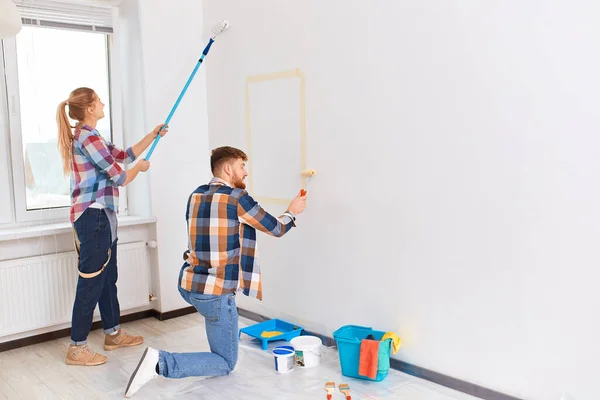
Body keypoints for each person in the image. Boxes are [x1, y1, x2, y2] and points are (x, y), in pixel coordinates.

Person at [124, 146, 307, 397]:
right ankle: (161, 363)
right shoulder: (237, 199)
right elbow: (276, 228)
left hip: (189, 285)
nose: (246, 173)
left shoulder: (196, 195)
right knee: (225, 362)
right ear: (228, 168)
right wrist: (292, 211)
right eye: (242, 166)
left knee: (217, 325)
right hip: (216, 293)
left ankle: (192, 347)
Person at [56, 87, 168, 366]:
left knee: (107, 278)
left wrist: (153, 135)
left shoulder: (93, 137)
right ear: (90, 108)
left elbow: (124, 154)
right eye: (99, 100)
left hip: (104, 216)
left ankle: (112, 333)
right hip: (92, 217)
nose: (103, 103)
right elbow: (120, 177)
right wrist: (139, 169)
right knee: (91, 282)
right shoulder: (87, 137)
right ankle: (77, 347)